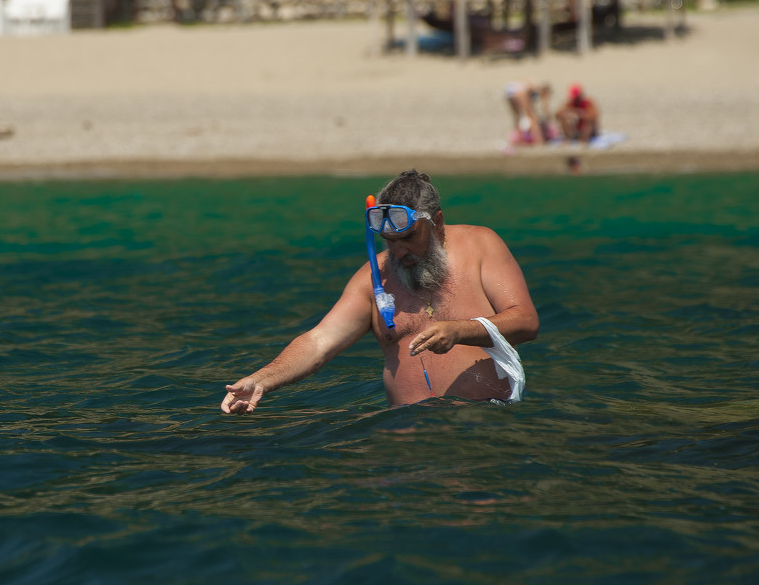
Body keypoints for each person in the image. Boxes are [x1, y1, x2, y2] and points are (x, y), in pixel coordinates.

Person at [221, 169, 539, 414]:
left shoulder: (480, 246)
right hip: (406, 435)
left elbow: (526, 321)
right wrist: (261, 379)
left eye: (409, 238)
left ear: (437, 223)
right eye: (390, 241)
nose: (399, 253)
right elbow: (319, 342)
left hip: (484, 422)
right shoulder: (374, 279)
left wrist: (461, 331)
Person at [503, 79, 556, 145]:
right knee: (532, 117)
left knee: (517, 117)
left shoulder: (533, 85)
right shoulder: (537, 89)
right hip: (520, 90)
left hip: (510, 89)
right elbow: (545, 110)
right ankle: (539, 142)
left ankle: (519, 141)